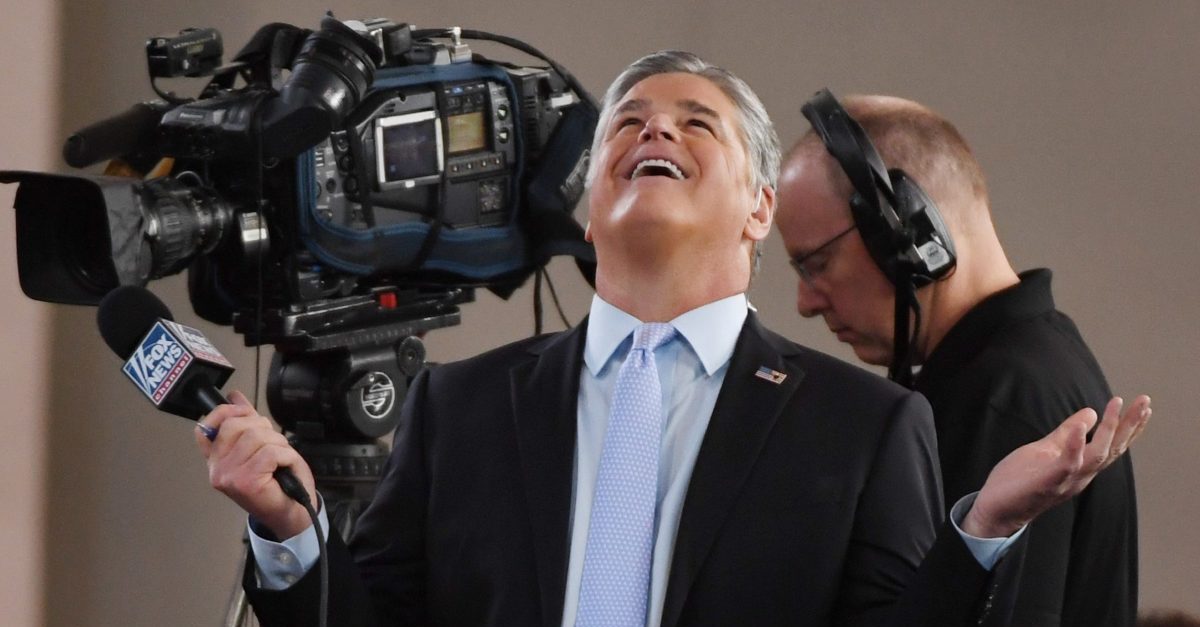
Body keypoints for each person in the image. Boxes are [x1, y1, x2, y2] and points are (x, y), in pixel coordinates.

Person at [198, 52, 1149, 627]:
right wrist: (291, 534)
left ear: (760, 207)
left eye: (699, 123)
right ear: (589, 197)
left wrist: (983, 527)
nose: (656, 127)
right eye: (629, 121)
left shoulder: (868, 425)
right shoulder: (461, 406)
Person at [776, 93, 1143, 626]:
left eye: (817, 264)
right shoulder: (1033, 363)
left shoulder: (1000, 396)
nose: (806, 302)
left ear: (908, 231)